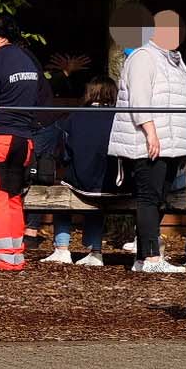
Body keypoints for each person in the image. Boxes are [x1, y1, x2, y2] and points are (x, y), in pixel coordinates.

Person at [106, 11, 186, 275]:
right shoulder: (143, 57)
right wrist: (150, 132)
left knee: (159, 199)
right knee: (148, 197)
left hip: (171, 144)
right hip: (150, 141)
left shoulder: (174, 61)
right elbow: (140, 98)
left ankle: (144, 257)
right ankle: (152, 258)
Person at [0, 15, 50, 272]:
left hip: (2, 136)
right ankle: (15, 252)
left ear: (0, 36)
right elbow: (43, 96)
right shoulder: (27, 58)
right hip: (25, 138)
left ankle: (3, 254)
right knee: (14, 196)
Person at [46, 76, 119, 266]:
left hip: (82, 181)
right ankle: (95, 251)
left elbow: (63, 154)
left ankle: (62, 249)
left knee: (62, 195)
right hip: (116, 183)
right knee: (97, 198)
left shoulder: (75, 116)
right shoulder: (121, 116)